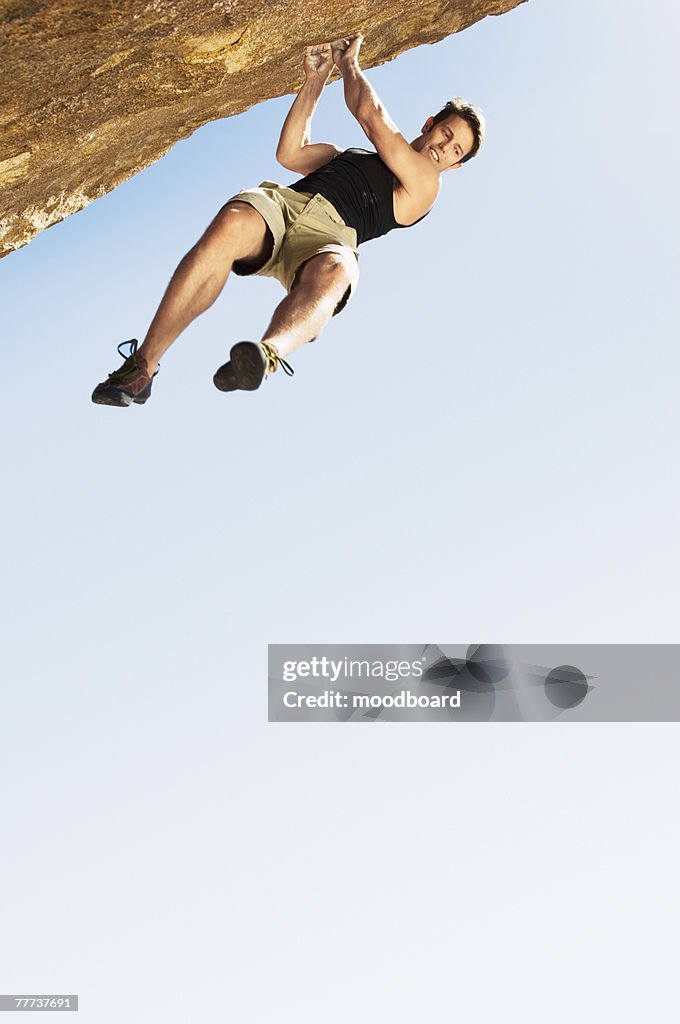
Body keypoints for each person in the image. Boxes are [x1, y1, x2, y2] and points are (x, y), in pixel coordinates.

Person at [91, 33, 485, 406]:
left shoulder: (424, 186)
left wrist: (349, 63)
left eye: (456, 151)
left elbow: (369, 114)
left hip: (330, 239)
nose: (444, 148)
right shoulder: (344, 155)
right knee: (232, 221)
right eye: (446, 134)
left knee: (337, 270)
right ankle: (141, 370)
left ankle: (267, 355)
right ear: (429, 124)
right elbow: (290, 154)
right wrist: (315, 80)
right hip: (288, 206)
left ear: (456, 165)